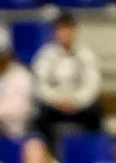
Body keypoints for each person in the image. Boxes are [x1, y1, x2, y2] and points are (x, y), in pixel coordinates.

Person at [32, 13, 103, 148]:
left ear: (75, 31)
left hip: (80, 105)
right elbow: (39, 84)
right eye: (61, 30)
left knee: (96, 112)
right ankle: (47, 152)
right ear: (55, 32)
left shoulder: (86, 55)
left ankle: (93, 150)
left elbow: (92, 84)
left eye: (68, 29)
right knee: (38, 118)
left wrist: (76, 101)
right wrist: (56, 100)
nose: (65, 34)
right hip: (54, 105)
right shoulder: (45, 55)